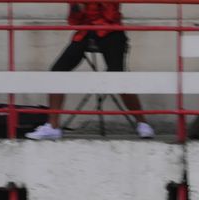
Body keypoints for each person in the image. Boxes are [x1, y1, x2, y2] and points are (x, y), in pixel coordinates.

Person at [26, 2, 154, 140]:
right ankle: (53, 126)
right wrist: (78, 7)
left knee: (118, 76)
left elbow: (111, 15)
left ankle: (142, 123)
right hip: (85, 33)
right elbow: (73, 21)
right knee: (57, 71)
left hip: (111, 32)